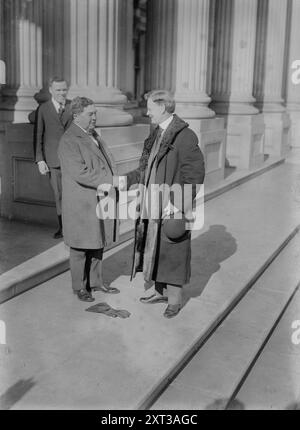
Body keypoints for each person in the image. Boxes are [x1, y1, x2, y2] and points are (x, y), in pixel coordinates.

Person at [125, 90, 205, 318]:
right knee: (156, 249)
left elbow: (195, 174)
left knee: (173, 249)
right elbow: (145, 168)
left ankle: (175, 300)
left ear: (162, 107)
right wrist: (126, 180)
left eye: (150, 107)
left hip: (172, 206)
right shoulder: (156, 133)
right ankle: (161, 291)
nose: (147, 112)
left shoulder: (185, 135)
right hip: (153, 203)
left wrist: (177, 204)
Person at [58, 97, 120, 302]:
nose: (95, 117)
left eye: (95, 113)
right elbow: (81, 173)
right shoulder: (69, 140)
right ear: (77, 116)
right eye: (90, 114)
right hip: (81, 202)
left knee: (97, 242)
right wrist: (112, 181)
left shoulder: (92, 135)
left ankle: (96, 282)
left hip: (97, 198)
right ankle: (80, 287)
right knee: (79, 246)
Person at [35, 77, 73, 238]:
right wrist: (40, 159)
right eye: (58, 90)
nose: (62, 93)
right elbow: (38, 135)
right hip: (53, 160)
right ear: (51, 90)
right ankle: (63, 228)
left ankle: (73, 226)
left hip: (72, 160)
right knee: (58, 195)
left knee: (73, 193)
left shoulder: (73, 107)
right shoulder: (43, 109)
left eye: (64, 89)